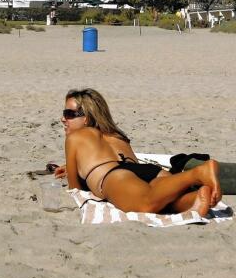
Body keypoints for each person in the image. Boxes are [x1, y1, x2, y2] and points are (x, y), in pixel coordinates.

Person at [56, 88, 222, 215]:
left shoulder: (75, 137)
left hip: (114, 175)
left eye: (69, 114)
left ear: (86, 118)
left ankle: (198, 173)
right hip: (148, 171)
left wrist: (77, 172)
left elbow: (75, 188)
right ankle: (196, 198)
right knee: (170, 203)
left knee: (145, 204)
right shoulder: (116, 134)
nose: (63, 119)